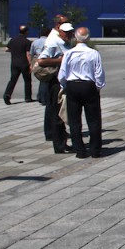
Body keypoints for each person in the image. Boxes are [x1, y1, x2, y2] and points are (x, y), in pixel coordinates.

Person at [58, 27, 105, 159]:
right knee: (94, 119)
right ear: (88, 38)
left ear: (76, 38)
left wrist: (64, 85)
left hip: (73, 85)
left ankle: (80, 150)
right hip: (89, 85)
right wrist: (98, 87)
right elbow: (99, 73)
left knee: (74, 121)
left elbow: (62, 73)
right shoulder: (93, 53)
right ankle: (95, 150)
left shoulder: (69, 53)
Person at [35, 18, 73, 153]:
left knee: (62, 112)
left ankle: (63, 141)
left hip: (63, 81)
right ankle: (58, 144)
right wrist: (60, 60)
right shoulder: (52, 42)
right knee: (56, 113)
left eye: (71, 33)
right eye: (67, 32)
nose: (69, 35)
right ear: (59, 29)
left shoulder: (65, 42)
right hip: (55, 81)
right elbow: (41, 60)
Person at [3, 25, 34, 104]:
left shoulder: (13, 40)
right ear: (26, 32)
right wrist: (30, 64)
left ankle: (7, 94)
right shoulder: (27, 41)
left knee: (13, 80)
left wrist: (14, 51)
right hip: (24, 63)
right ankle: (27, 97)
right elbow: (28, 54)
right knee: (27, 80)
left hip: (14, 63)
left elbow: (6, 49)